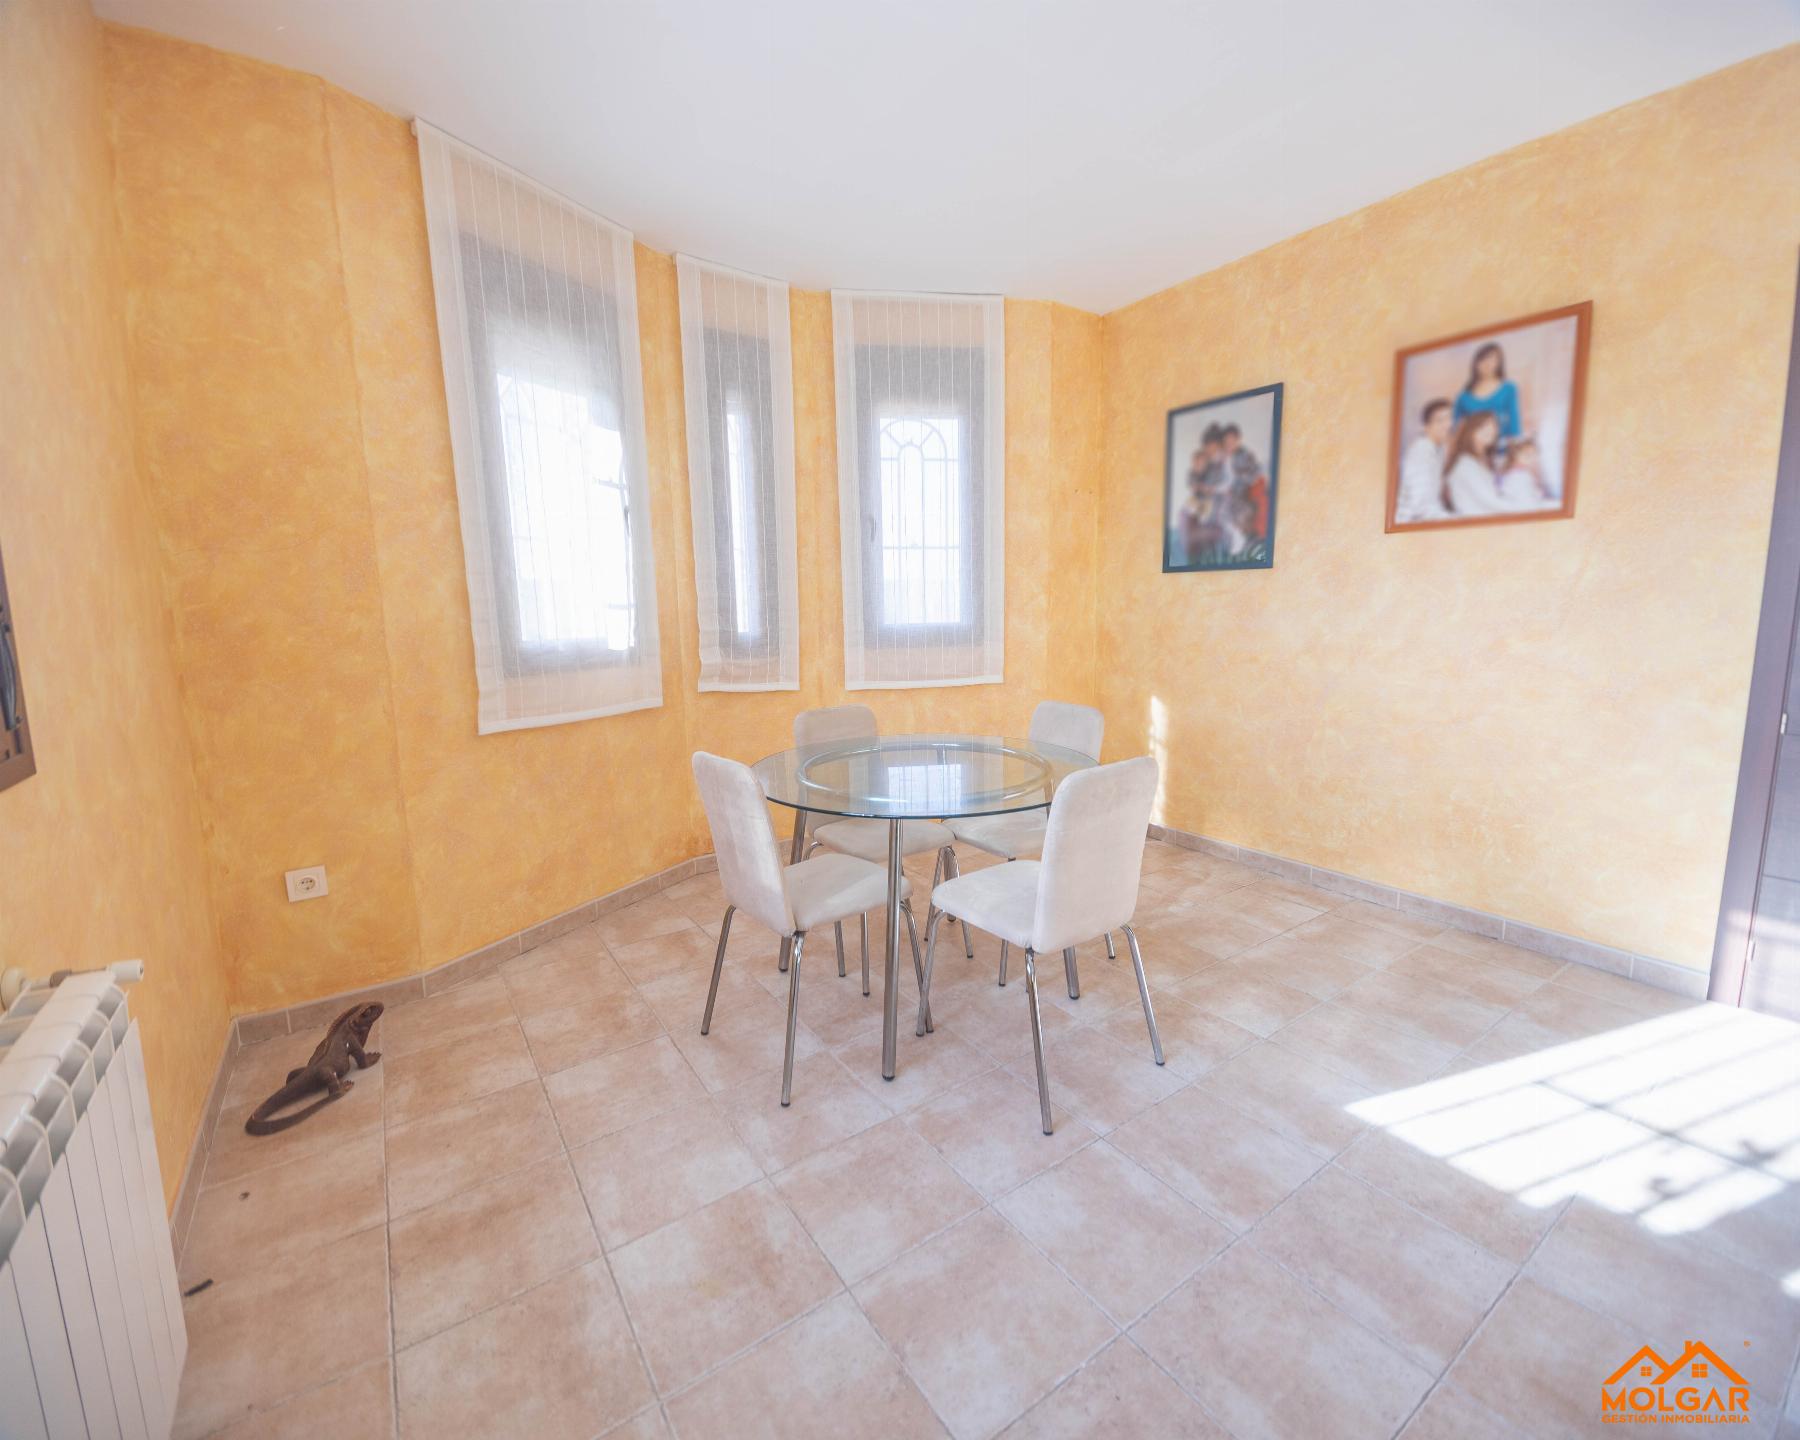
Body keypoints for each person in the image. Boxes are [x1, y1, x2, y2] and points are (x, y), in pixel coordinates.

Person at [1396, 398, 1454, 522]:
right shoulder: (1420, 452)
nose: (1448, 424)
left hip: (1427, 516)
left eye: (1450, 418)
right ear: (1426, 427)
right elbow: (1420, 506)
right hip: (1410, 521)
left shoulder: (1440, 448)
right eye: (1440, 420)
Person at [1442, 412, 1509, 515]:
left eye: (1494, 426)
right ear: (1470, 431)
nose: (1491, 430)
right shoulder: (1465, 464)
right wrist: (1526, 508)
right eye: (1484, 426)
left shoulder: (1481, 461)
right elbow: (1489, 502)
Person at [1453, 341, 1522, 440]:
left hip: (1502, 446)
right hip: (1473, 446)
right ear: (1476, 363)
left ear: (1499, 363)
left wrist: (1514, 445)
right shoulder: (1463, 397)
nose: (1488, 364)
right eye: (1483, 359)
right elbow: (1455, 430)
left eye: (1493, 360)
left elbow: (1515, 425)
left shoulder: (1509, 388)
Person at [1495, 436, 1553, 506]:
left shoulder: (1522, 472)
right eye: (1528, 455)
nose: (1533, 458)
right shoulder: (1518, 475)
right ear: (1515, 456)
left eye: (1534, 454)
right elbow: (1526, 500)